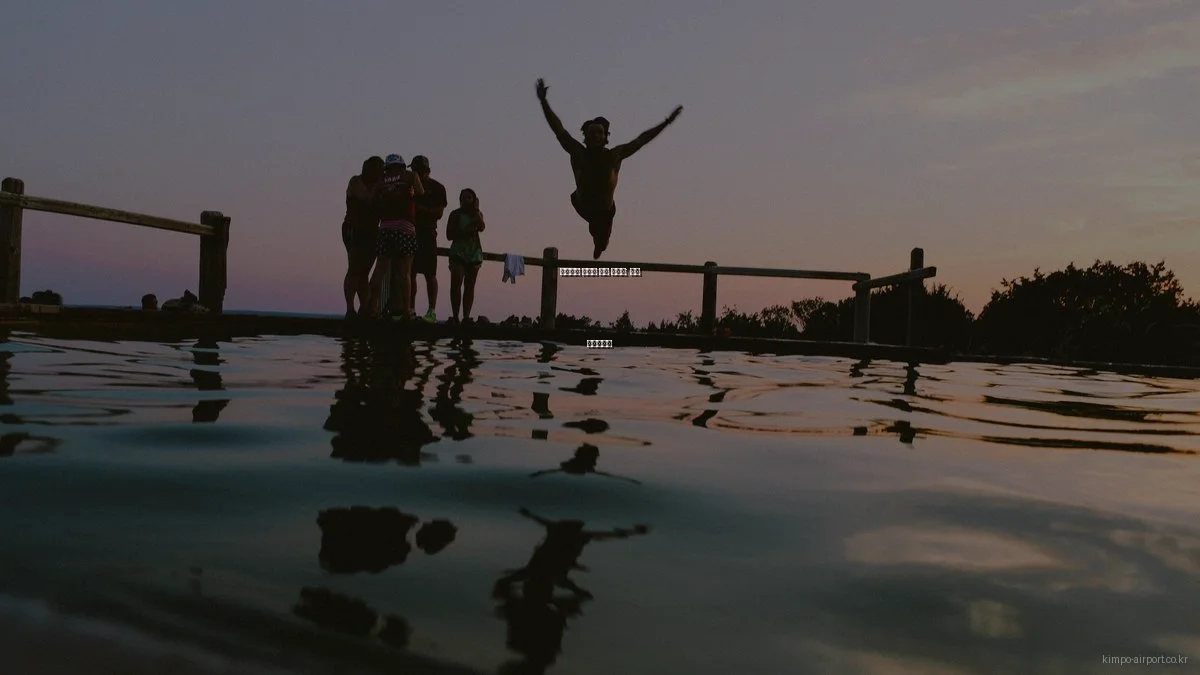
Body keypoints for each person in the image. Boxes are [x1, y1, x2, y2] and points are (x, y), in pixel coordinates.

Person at [534, 78, 682, 259]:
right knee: (594, 227)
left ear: (605, 137)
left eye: (599, 133)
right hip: (582, 205)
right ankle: (598, 240)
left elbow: (642, 139)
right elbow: (558, 129)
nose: (596, 136)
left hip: (605, 212)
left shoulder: (614, 156)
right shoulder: (578, 153)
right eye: (592, 133)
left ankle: (599, 245)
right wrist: (543, 102)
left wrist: (666, 122)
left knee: (602, 240)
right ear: (586, 137)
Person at [366, 154, 423, 320]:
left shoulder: (382, 180)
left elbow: (370, 201)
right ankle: (406, 312)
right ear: (402, 165)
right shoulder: (410, 176)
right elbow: (420, 193)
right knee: (405, 273)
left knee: (379, 270)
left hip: (385, 228)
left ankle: (373, 308)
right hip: (405, 227)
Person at [342, 156, 384, 319]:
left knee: (364, 271)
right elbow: (367, 199)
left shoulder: (378, 186)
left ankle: (364, 308)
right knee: (354, 268)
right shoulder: (356, 182)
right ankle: (350, 308)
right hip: (355, 229)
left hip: (372, 231)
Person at [407, 155, 448, 323]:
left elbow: (438, 213)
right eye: (413, 170)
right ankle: (411, 309)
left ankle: (431, 311)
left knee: (430, 274)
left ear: (426, 171)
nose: (415, 173)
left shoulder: (438, 188)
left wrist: (418, 208)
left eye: (418, 170)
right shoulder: (408, 185)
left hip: (428, 234)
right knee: (410, 273)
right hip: (410, 233)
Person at [445, 188, 485, 325]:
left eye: (469, 197)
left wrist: (476, 211)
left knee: (470, 285)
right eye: (463, 197)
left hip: (474, 253)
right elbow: (449, 234)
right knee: (456, 284)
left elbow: (482, 226)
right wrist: (464, 231)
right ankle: (455, 316)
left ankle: (466, 317)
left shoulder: (478, 214)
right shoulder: (455, 214)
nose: (465, 200)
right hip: (458, 252)